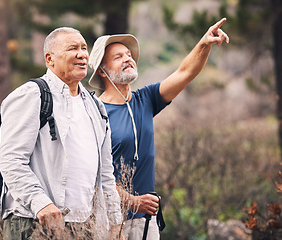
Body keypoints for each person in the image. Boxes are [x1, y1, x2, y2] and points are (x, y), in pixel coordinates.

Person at [88, 18, 229, 239]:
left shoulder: (146, 99)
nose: (128, 59)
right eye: (118, 57)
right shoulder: (94, 112)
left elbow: (185, 73)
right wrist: (132, 201)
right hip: (109, 221)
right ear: (102, 72)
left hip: (146, 222)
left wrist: (204, 43)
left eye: (129, 55)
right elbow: (92, 175)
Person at [0, 27, 123, 240]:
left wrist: (115, 222)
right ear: (50, 59)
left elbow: (105, 174)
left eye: (84, 48)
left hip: (85, 225)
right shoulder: (31, 96)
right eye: (73, 48)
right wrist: (41, 203)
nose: (82, 54)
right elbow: (10, 160)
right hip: (34, 221)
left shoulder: (96, 106)